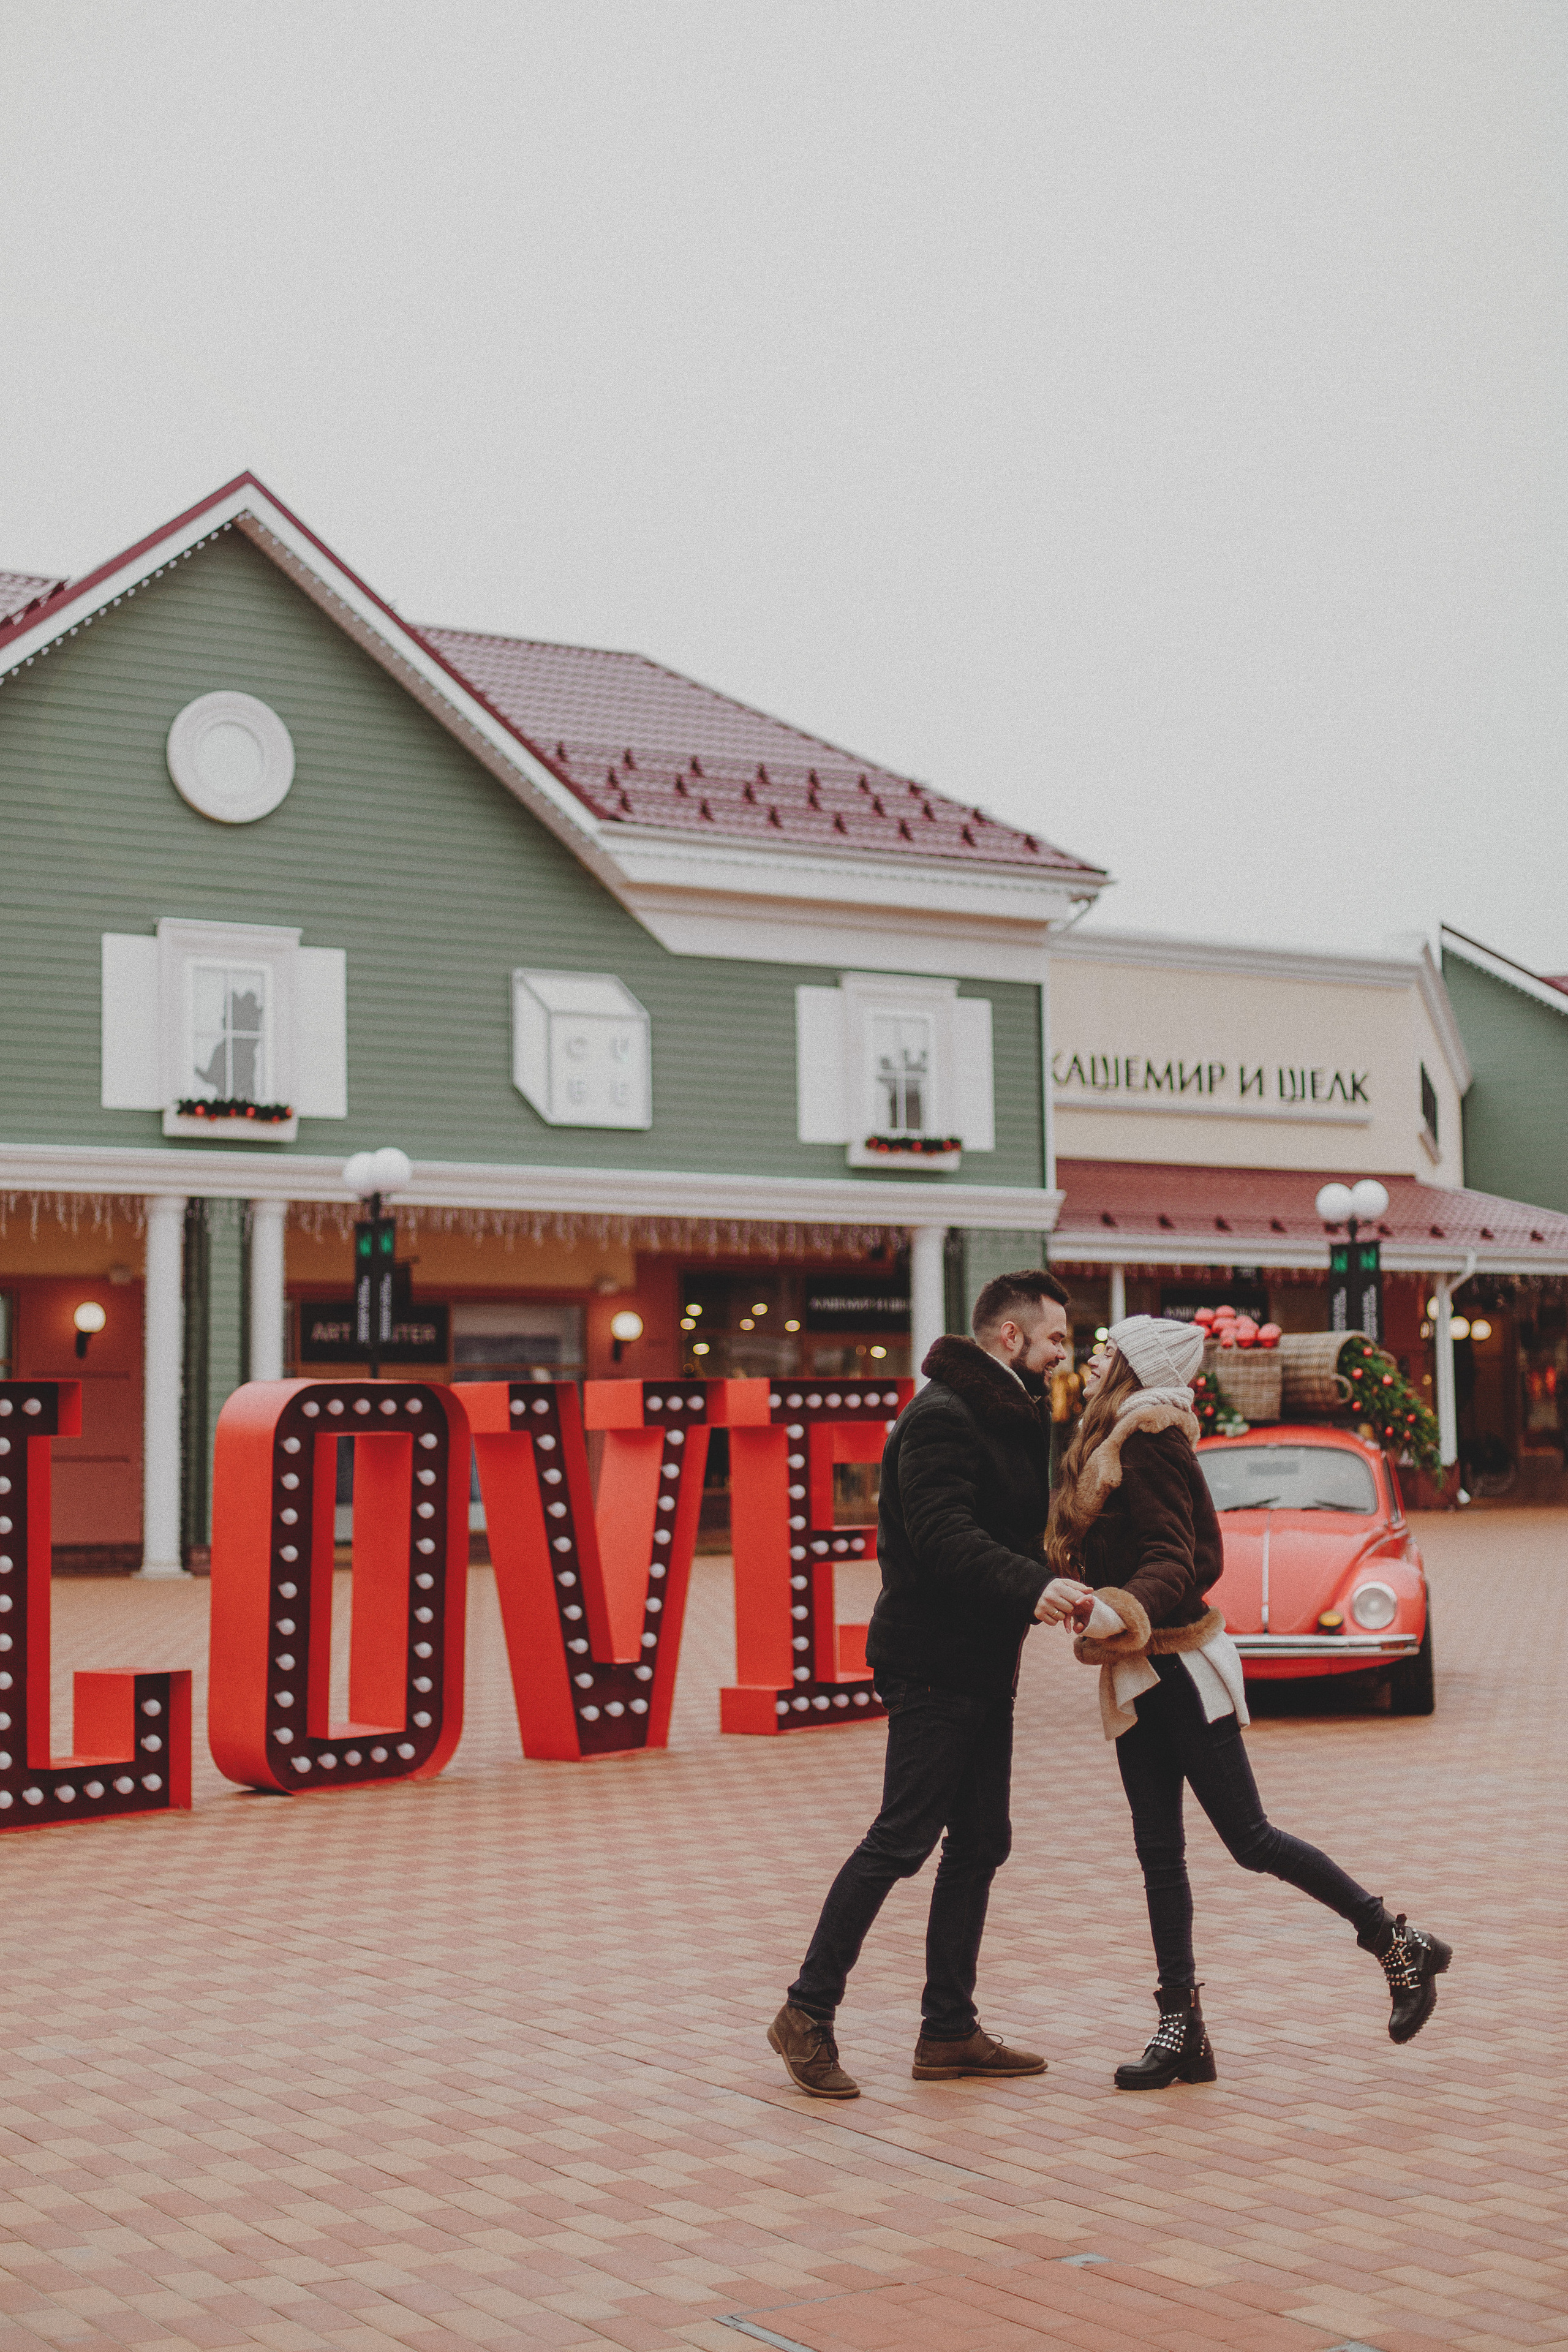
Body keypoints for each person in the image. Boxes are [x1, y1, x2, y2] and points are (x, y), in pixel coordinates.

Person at [1049, 1314, 1453, 2090]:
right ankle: (1182, 2028)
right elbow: (1173, 1550)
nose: (1093, 1362)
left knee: (1250, 1838)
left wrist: (1118, 1609)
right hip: (1140, 1674)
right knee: (1158, 1854)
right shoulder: (1111, 1444)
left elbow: (1182, 1559)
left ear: (1136, 1367)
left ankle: (1397, 1943)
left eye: (1108, 1352)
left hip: (1179, 1669)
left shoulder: (1148, 1439)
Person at [767, 1269, 1093, 2098]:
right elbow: (946, 1535)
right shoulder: (944, 1416)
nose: (1066, 1353)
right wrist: (1031, 1586)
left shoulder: (1008, 1414)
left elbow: (1000, 1528)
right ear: (1009, 1337)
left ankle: (948, 2031)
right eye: (1056, 1337)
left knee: (981, 1841)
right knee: (902, 1838)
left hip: (983, 1658)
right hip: (932, 1659)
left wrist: (1057, 1575)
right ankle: (805, 2013)